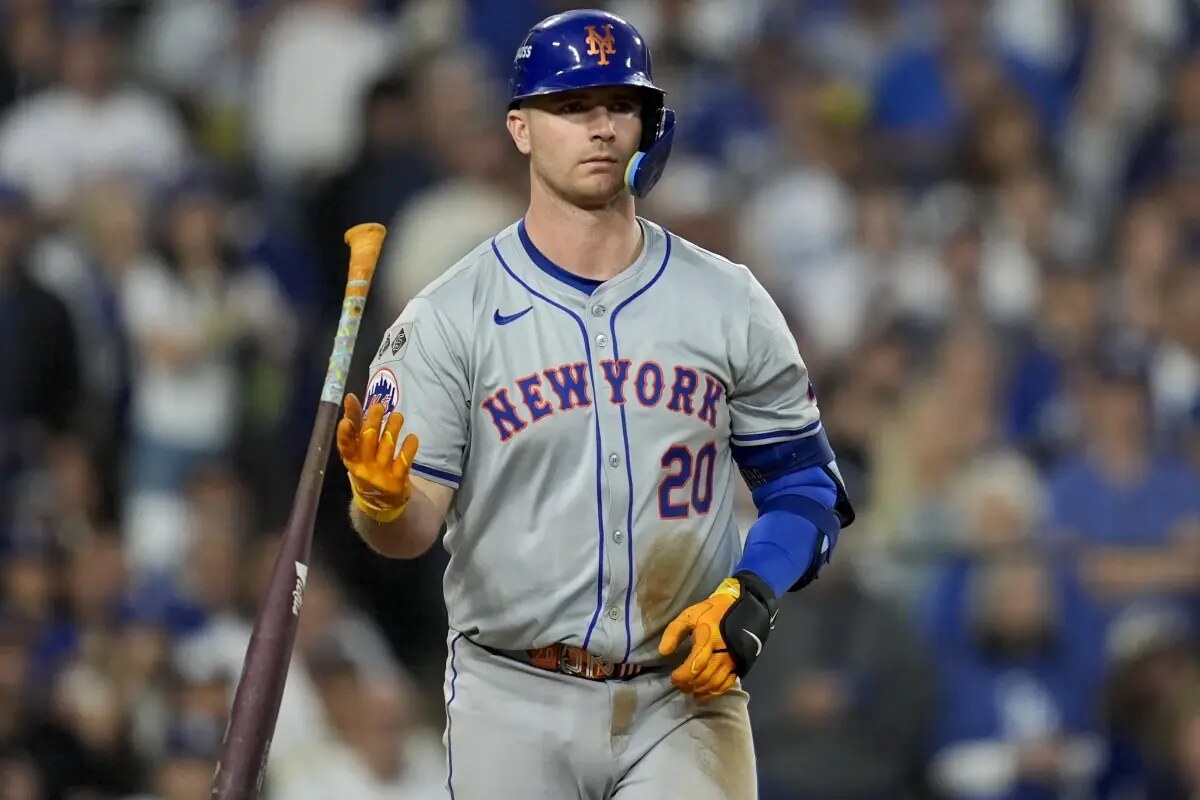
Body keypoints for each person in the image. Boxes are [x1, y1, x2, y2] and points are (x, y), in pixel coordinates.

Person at [335, 10, 854, 798]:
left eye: (619, 104)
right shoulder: (450, 316)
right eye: (572, 107)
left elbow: (805, 490)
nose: (601, 127)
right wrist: (382, 502)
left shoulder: (728, 301)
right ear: (520, 128)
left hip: (684, 692)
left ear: (650, 121)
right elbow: (407, 534)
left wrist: (749, 591)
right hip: (512, 694)